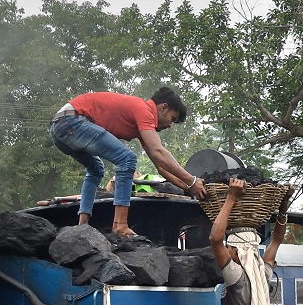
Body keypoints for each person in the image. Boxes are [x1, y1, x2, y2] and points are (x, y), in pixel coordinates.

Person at [50, 87, 208, 236]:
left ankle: (82, 225)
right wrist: (192, 180)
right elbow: (159, 151)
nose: (170, 125)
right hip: (72, 121)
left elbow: (161, 166)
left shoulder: (142, 121)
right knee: (127, 159)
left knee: (96, 169)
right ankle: (120, 225)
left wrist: (190, 187)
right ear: (163, 108)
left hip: (59, 127)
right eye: (172, 118)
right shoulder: (143, 109)